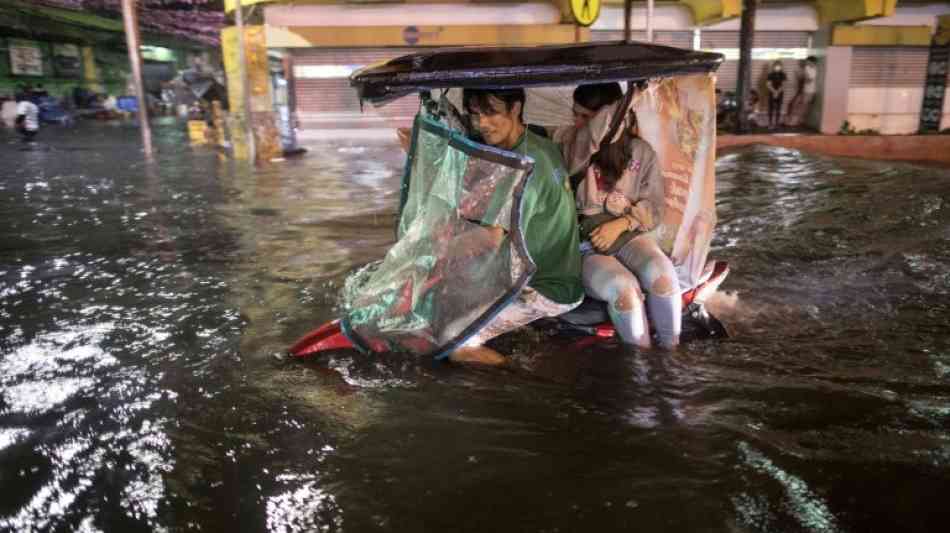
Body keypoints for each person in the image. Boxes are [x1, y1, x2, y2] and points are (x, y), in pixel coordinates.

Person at [450, 87, 584, 365]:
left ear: (516, 109)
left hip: (546, 287)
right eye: (475, 114)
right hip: (540, 268)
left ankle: (522, 383)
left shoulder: (523, 165)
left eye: (491, 113)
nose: (482, 124)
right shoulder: (537, 144)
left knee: (456, 342)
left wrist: (437, 249)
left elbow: (491, 238)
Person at [560, 83, 681, 349]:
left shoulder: (641, 152)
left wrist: (622, 223)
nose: (579, 122)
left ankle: (672, 357)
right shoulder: (571, 144)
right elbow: (593, 136)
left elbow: (655, 207)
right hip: (583, 244)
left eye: (586, 116)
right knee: (623, 290)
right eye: (575, 114)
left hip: (630, 235)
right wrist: (630, 98)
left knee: (662, 276)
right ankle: (640, 367)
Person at [785, 56, 817, 127]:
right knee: (794, 104)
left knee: (803, 107)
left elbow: (809, 80)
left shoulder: (814, 70)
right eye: (806, 61)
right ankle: (792, 121)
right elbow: (802, 78)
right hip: (803, 90)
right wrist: (798, 75)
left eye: (808, 61)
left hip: (810, 91)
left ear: (812, 62)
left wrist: (804, 73)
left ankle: (797, 122)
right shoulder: (807, 68)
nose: (807, 63)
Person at [766, 61, 786, 129]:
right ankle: (770, 123)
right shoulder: (770, 74)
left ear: (781, 66)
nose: (777, 67)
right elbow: (768, 84)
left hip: (780, 93)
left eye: (778, 66)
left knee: (778, 108)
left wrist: (777, 92)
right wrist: (774, 92)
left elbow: (784, 85)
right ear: (773, 66)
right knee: (770, 108)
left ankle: (777, 123)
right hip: (771, 93)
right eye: (776, 66)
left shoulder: (783, 74)